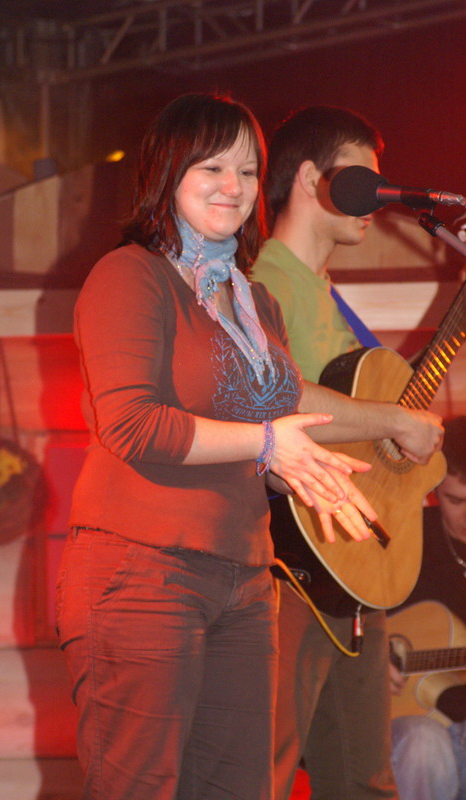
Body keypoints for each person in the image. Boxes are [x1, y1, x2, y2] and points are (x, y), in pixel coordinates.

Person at [55, 92, 386, 800]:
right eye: (211, 167)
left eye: (247, 171)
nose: (233, 187)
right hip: (141, 568)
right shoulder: (129, 275)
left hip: (245, 576)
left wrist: (310, 473)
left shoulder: (256, 302)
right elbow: (133, 424)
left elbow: (265, 439)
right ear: (167, 173)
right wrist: (269, 444)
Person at [252, 105, 444, 799]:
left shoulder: (327, 298)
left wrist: (409, 439)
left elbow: (368, 428)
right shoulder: (262, 283)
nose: (378, 195)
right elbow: (276, 400)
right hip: (293, 569)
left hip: (355, 569)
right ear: (311, 179)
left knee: (365, 782)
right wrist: (396, 419)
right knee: (265, 772)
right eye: (365, 179)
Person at [389, 415, 466, 800]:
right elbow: (346, 613)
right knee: (421, 742)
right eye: (456, 501)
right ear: (435, 490)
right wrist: (372, 658)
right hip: (403, 718)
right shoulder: (405, 536)